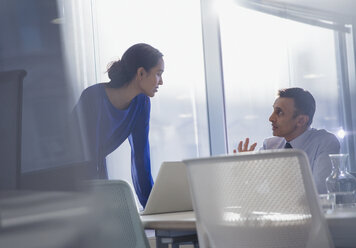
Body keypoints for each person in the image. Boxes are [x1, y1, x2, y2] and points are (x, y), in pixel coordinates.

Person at [71, 43, 164, 207]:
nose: (161, 82)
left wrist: (152, 207)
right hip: (68, 180)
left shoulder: (141, 102)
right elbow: (89, 160)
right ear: (141, 73)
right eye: (158, 74)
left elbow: (140, 158)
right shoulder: (93, 97)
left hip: (92, 183)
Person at [237, 87, 340, 194]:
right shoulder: (270, 145)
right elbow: (254, 191)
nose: (271, 118)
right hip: (275, 210)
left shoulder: (324, 142)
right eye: (273, 110)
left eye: (279, 112)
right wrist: (244, 171)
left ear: (301, 120)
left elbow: (321, 191)